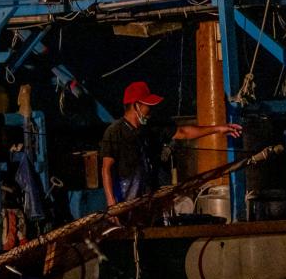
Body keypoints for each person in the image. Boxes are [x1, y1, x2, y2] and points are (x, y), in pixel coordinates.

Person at [99, 80, 242, 208]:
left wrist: (218, 129)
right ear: (136, 105)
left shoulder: (152, 127)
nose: (151, 110)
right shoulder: (115, 131)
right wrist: (112, 203)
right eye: (148, 105)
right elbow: (106, 168)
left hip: (149, 202)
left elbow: (183, 132)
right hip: (125, 203)